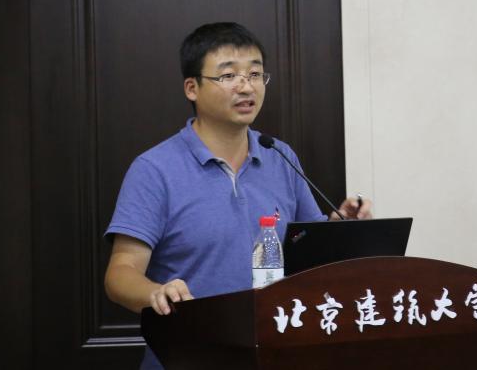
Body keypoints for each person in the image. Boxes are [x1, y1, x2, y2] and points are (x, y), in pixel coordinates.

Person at [103, 22, 372, 369]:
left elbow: (308, 249)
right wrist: (155, 292)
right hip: (188, 356)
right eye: (229, 75)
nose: (246, 86)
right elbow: (120, 274)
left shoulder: (279, 156)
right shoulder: (155, 169)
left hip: (274, 352)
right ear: (192, 88)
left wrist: (340, 226)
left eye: (256, 74)